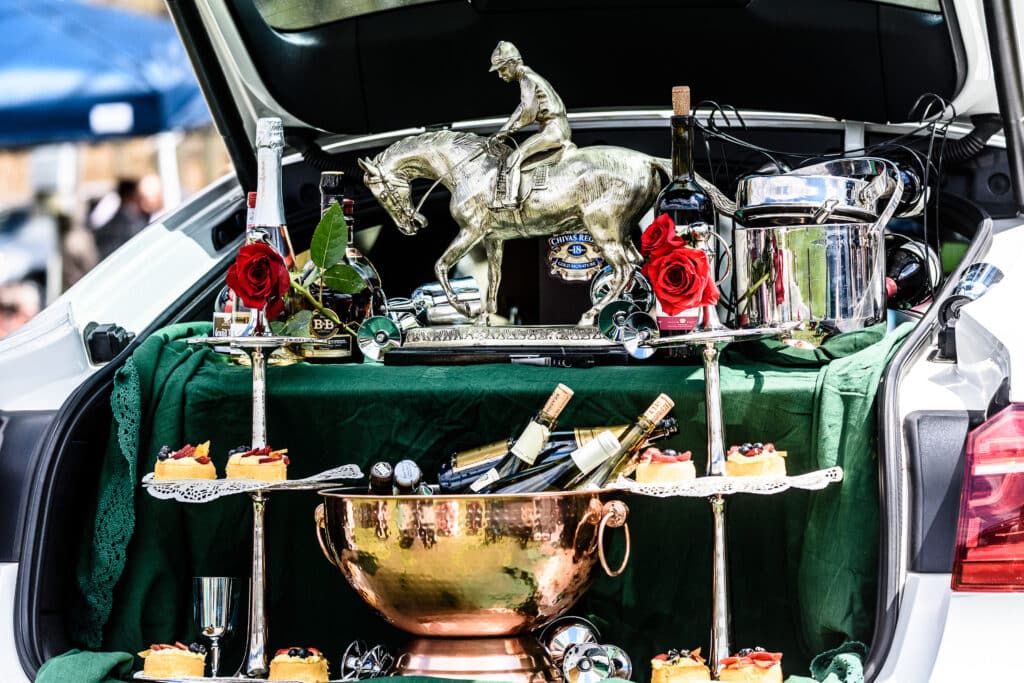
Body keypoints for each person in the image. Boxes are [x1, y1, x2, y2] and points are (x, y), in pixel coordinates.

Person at [489, 41, 571, 209]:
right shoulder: (527, 77)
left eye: (502, 69)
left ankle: (510, 200)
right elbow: (521, 108)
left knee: (514, 157)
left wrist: (506, 133)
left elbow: (528, 113)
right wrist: (502, 131)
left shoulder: (527, 78)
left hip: (553, 129)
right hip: (553, 127)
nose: (500, 75)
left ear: (513, 63)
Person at [92, 175, 163, 260]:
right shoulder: (125, 223)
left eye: (154, 197)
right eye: (141, 198)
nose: (147, 203)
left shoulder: (159, 217)